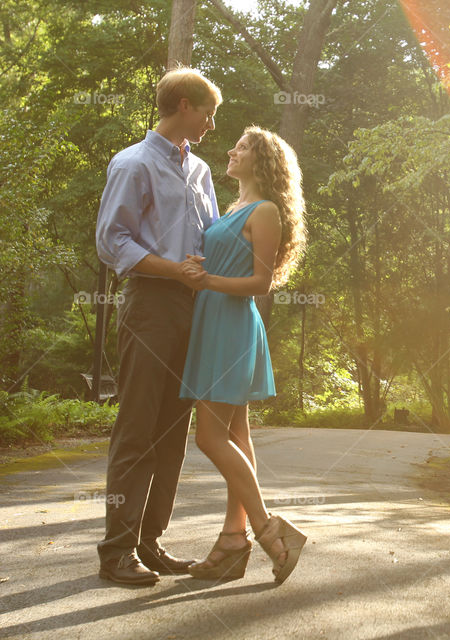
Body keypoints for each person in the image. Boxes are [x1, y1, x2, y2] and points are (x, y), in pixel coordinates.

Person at [95, 67, 221, 585]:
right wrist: (174, 270)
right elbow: (112, 241)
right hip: (150, 304)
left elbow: (213, 237)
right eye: (209, 112)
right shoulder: (134, 162)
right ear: (185, 104)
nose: (213, 124)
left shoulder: (202, 170)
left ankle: (150, 543)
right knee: (138, 426)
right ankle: (116, 551)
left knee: (173, 430)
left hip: (195, 308)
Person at [178, 125, 308, 584]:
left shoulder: (267, 210)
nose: (232, 151)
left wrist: (206, 281)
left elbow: (261, 283)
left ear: (264, 161)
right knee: (235, 432)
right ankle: (233, 542)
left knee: (209, 439)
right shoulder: (232, 207)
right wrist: (201, 269)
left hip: (232, 325)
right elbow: (224, 263)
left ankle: (269, 532)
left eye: (244, 147)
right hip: (213, 319)